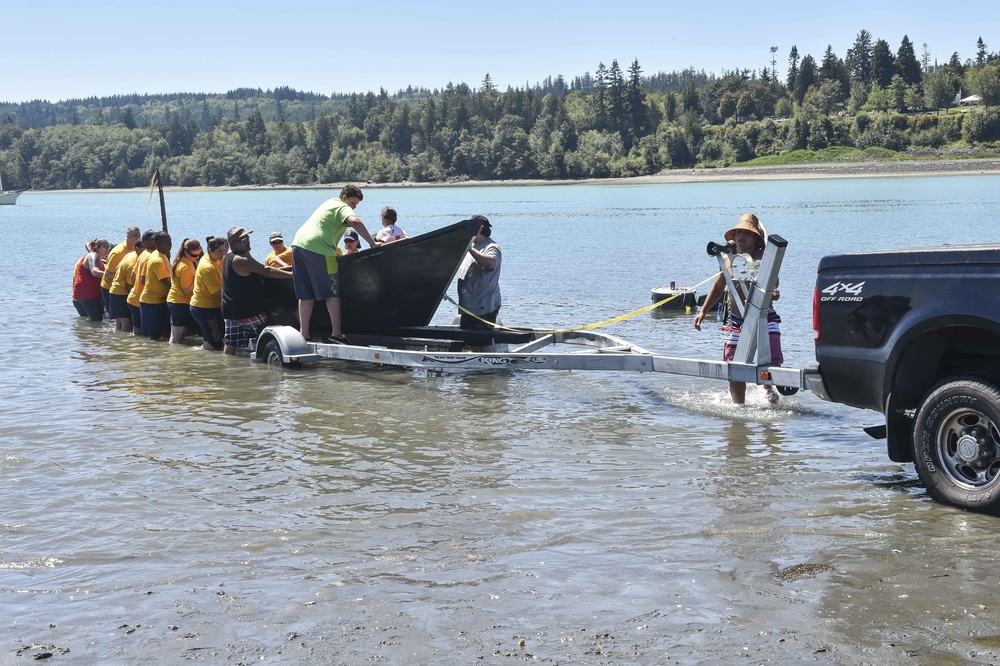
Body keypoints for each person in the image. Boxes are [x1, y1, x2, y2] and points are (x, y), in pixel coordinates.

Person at [693, 213, 783, 405]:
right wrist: (703, 311)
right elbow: (718, 287)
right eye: (738, 232)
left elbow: (774, 282)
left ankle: (770, 390)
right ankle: (738, 405)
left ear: (756, 238)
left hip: (764, 315)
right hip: (737, 319)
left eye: (746, 233)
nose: (741, 236)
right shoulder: (728, 260)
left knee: (773, 357)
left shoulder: (765, 258)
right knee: (734, 366)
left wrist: (773, 292)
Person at [291, 184, 377, 343]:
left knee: (306, 294)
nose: (354, 207)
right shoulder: (341, 206)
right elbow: (355, 221)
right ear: (344, 197)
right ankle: (337, 333)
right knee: (332, 292)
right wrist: (373, 244)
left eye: (356, 205)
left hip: (298, 246)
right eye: (353, 203)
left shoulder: (329, 202)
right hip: (320, 249)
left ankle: (304, 334)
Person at [222, 226, 293, 355]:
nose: (247, 241)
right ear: (232, 244)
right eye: (243, 240)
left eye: (247, 238)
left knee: (231, 343)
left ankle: (229, 371)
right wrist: (293, 276)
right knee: (270, 336)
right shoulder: (240, 260)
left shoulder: (229, 257)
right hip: (249, 311)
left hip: (232, 310)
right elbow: (267, 270)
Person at [456, 215, 502, 352]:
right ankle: (475, 372)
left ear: (480, 229)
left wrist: (469, 248)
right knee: (471, 343)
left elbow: (489, 263)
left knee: (483, 342)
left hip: (485, 305)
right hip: (468, 306)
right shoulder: (471, 246)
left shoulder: (492, 247)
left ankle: (489, 371)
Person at [190, 236, 228, 351]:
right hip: (205, 309)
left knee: (215, 339)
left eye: (224, 250)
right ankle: (196, 356)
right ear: (210, 251)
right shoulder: (207, 267)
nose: (223, 254)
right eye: (220, 251)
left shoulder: (217, 258)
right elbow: (217, 292)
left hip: (211, 307)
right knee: (215, 342)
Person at [167, 238, 203, 344]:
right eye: (194, 255)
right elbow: (187, 290)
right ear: (185, 252)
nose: (196, 258)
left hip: (179, 302)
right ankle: (173, 357)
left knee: (180, 336)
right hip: (179, 302)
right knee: (176, 336)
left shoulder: (185, 261)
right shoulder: (185, 266)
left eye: (199, 255)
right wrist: (199, 278)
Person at [139, 231, 173, 341]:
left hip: (159, 301)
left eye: (170, 240)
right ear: (157, 242)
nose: (170, 243)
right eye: (167, 241)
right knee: (152, 338)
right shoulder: (157, 259)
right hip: (152, 303)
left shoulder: (161, 255)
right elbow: (168, 282)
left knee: (162, 335)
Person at [100, 226, 140, 312]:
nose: (138, 238)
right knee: (115, 317)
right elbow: (108, 274)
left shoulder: (138, 248)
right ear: (128, 237)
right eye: (135, 236)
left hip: (127, 286)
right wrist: (123, 279)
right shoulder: (117, 252)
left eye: (139, 235)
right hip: (110, 287)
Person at [108, 241, 144, 333]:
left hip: (114, 291)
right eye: (145, 247)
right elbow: (129, 286)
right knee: (127, 325)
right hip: (121, 293)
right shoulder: (133, 263)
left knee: (119, 324)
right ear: (138, 248)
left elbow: (116, 268)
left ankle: (117, 341)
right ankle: (125, 344)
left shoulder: (130, 254)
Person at [126, 230, 157, 336]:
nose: (156, 241)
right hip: (140, 301)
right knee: (141, 334)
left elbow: (133, 276)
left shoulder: (143, 254)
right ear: (145, 242)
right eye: (153, 239)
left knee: (137, 333)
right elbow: (144, 280)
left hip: (134, 298)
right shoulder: (149, 257)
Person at [72, 239, 110, 321]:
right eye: (105, 246)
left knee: (89, 321)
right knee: (97, 321)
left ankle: (84, 333)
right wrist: (112, 275)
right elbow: (95, 271)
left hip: (82, 295)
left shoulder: (98, 258)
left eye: (108, 246)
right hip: (87, 295)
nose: (108, 248)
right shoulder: (93, 255)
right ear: (96, 248)